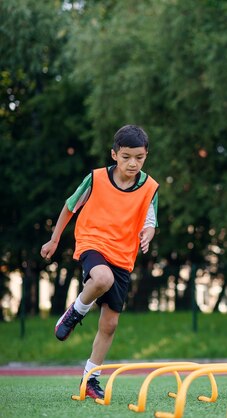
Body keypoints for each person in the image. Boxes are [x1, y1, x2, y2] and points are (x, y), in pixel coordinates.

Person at [40, 125, 159, 399]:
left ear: (145, 156)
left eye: (139, 158)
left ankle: (90, 380)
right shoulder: (95, 179)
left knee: (110, 325)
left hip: (123, 255)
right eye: (126, 156)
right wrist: (55, 239)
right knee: (101, 279)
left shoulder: (150, 187)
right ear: (114, 154)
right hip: (92, 242)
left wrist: (148, 234)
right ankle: (76, 311)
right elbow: (70, 206)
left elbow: (150, 220)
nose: (132, 163)